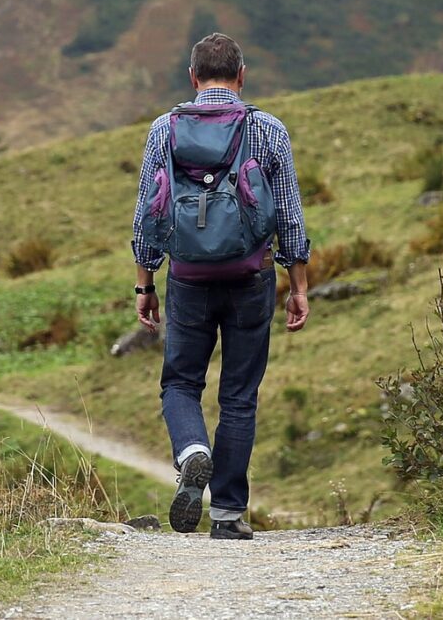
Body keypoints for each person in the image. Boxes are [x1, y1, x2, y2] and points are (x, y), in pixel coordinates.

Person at [131, 33, 310, 540]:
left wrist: (145, 282)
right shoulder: (267, 129)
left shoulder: (164, 129)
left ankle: (193, 451)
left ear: (192, 77)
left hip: (187, 278)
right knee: (239, 395)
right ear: (241, 75)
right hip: (251, 276)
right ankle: (228, 514)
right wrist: (298, 284)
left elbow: (148, 211)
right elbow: (290, 215)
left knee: (180, 382)